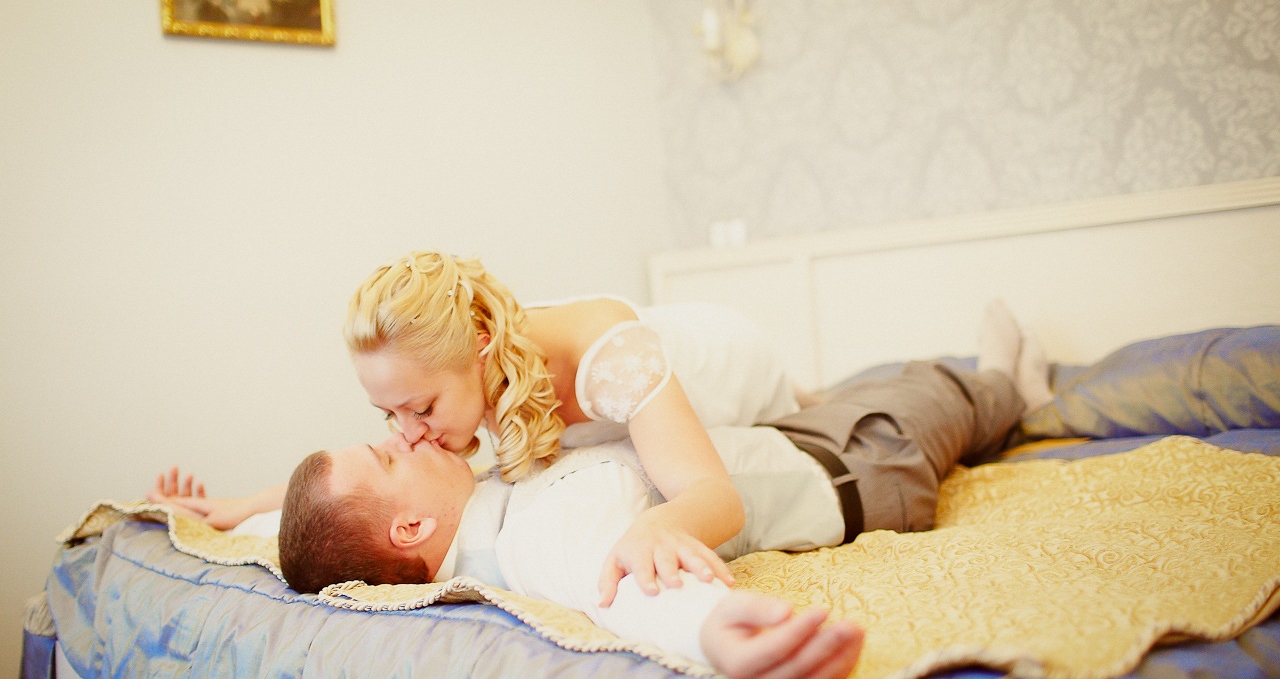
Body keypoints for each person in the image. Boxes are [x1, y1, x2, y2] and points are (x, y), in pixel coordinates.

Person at [273, 302, 1052, 679]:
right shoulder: (534, 537)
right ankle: (1015, 387)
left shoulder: (478, 502)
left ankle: (991, 385)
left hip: (784, 434)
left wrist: (243, 507)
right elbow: (621, 588)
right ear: (410, 526)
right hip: (859, 463)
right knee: (949, 392)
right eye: (388, 450)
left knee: (887, 380)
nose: (406, 435)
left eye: (406, 419)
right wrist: (713, 630)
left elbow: (313, 522)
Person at [155, 250, 805, 605]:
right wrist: (242, 506)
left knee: (808, 416)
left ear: (482, 351)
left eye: (420, 409)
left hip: (739, 368)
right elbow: (358, 491)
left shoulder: (612, 361)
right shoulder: (463, 378)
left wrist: (658, 527)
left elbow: (716, 498)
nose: (408, 435)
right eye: (390, 416)